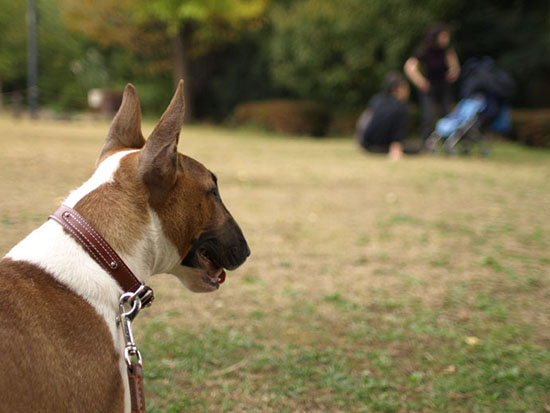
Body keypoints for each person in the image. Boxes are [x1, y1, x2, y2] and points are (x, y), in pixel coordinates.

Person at [404, 24, 460, 141]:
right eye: (443, 37)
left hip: (444, 86)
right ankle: (426, 141)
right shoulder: (425, 51)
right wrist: (420, 81)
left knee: (447, 113)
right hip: (429, 87)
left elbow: (455, 66)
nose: (446, 39)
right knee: (428, 115)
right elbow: (409, 67)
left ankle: (447, 140)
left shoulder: (447, 51)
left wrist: (453, 72)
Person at [357, 72, 417, 160]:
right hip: (383, 146)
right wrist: (396, 149)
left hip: (365, 144)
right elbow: (397, 133)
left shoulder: (376, 99)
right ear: (397, 88)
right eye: (405, 87)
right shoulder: (401, 106)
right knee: (416, 147)